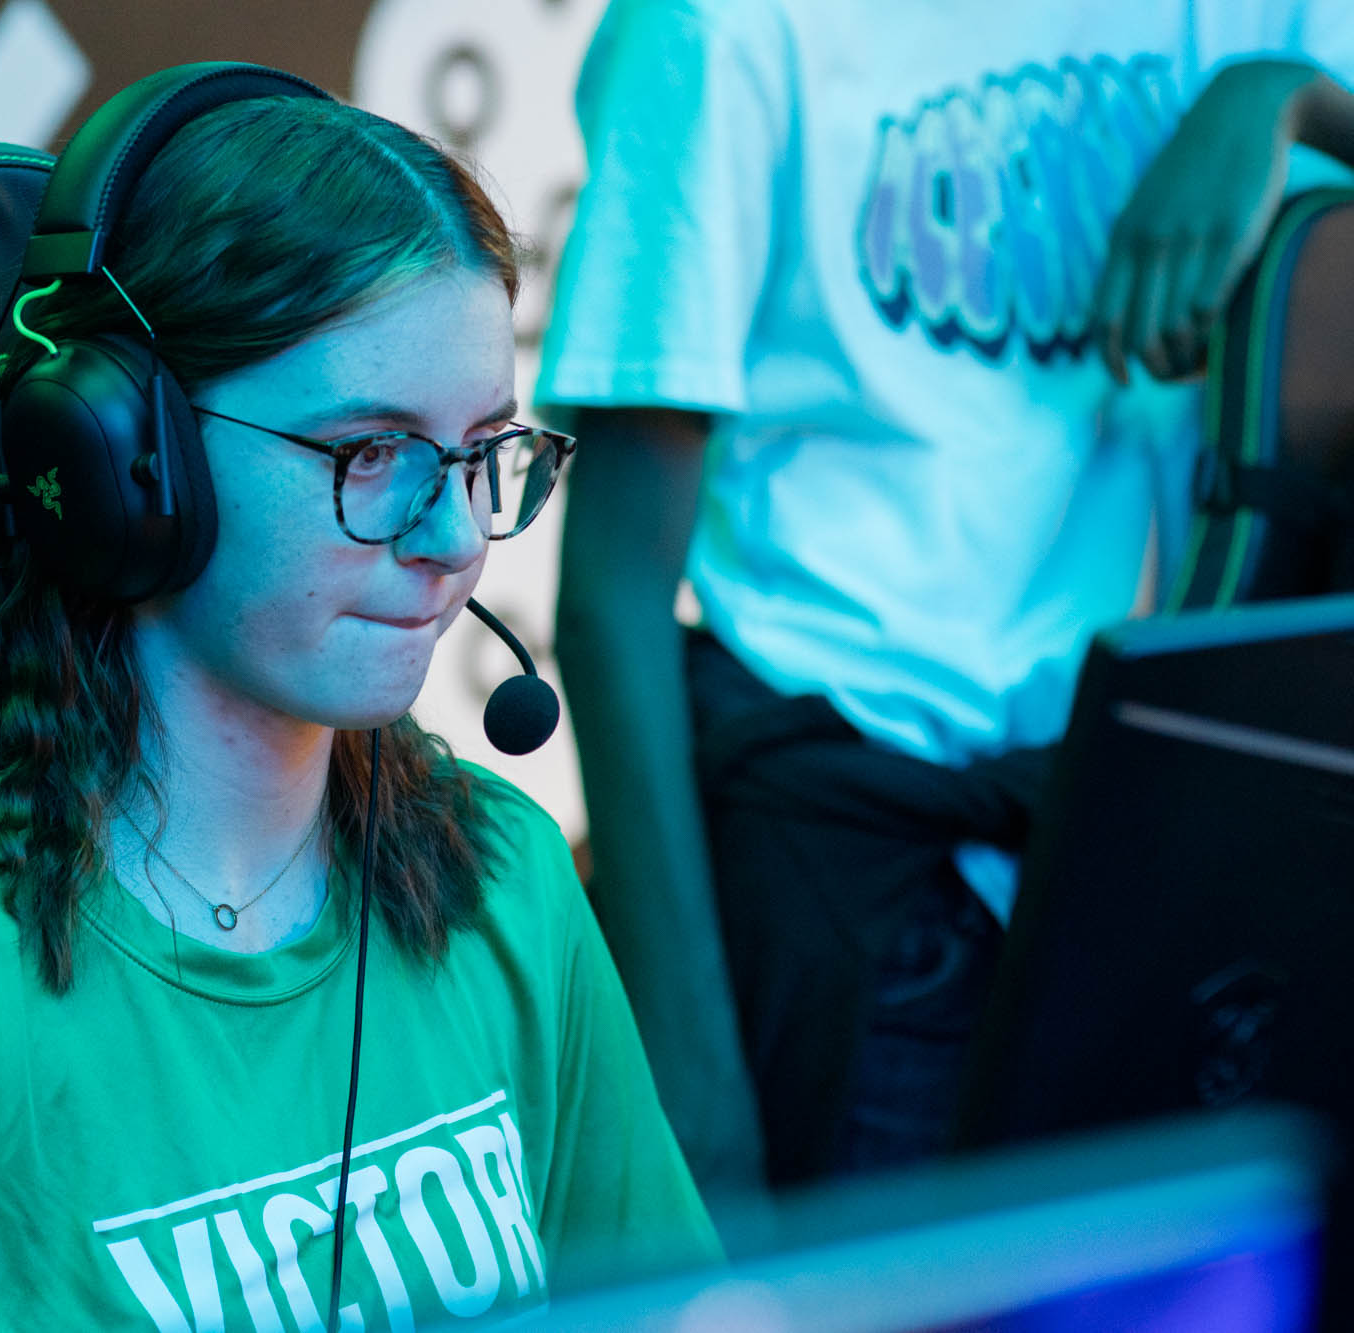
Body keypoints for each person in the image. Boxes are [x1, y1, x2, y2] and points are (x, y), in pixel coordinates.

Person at [0, 72, 721, 1331]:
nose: (450, 537)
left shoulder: (505, 878)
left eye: (483, 451)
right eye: (370, 454)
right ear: (120, 461)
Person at [541, 1, 1354, 1190]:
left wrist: (1286, 97)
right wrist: (688, 1079)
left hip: (1151, 856)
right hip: (853, 878)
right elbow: (610, 593)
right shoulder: (714, 28)